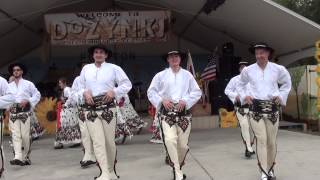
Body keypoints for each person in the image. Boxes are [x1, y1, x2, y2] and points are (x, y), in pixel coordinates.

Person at [237, 43, 291, 180]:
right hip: (255, 109)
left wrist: (281, 96)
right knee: (261, 140)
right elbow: (240, 84)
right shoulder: (248, 70)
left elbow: (287, 83)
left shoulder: (278, 69)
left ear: (268, 53)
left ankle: (270, 168)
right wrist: (244, 96)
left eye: (262, 52)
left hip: (272, 109)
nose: (259, 55)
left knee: (271, 141)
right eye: (257, 53)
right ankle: (263, 171)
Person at [78, 44, 132, 180]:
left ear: (106, 55)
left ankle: (111, 170)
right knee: (97, 142)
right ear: (92, 55)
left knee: (109, 142)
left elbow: (127, 84)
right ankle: (104, 173)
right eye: (96, 52)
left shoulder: (114, 68)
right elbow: (77, 88)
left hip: (108, 109)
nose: (98, 54)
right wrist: (84, 93)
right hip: (90, 110)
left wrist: (114, 91)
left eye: (101, 52)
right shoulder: (86, 69)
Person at [147, 50, 202, 180]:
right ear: (167, 60)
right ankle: (177, 172)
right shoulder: (160, 75)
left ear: (180, 59)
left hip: (184, 115)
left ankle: (175, 163)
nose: (174, 59)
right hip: (166, 115)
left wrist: (186, 101)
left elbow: (196, 92)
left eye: (176, 56)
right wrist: (162, 100)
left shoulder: (187, 75)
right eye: (171, 57)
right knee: (170, 140)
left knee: (182, 146)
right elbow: (151, 92)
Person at [8, 63, 41, 166]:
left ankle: (26, 156)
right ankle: (17, 156)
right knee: (15, 135)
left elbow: (37, 94)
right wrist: (6, 106)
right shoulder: (9, 86)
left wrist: (28, 100)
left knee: (25, 136)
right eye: (14, 70)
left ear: (22, 72)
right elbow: (5, 98)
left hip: (25, 113)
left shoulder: (28, 84)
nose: (16, 72)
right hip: (13, 113)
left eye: (18, 70)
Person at [225, 61, 255, 158]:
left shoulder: (253, 79)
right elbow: (227, 90)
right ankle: (248, 148)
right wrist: (236, 96)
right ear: (239, 69)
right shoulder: (235, 80)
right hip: (240, 107)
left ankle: (249, 145)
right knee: (244, 126)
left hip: (253, 107)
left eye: (245, 67)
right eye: (241, 67)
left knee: (253, 129)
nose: (243, 69)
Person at [66, 76, 96, 168]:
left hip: (96, 108)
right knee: (85, 133)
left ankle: (100, 154)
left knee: (96, 133)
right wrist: (68, 103)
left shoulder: (98, 77)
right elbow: (73, 93)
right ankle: (88, 156)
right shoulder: (78, 79)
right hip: (82, 109)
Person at [54, 77, 81, 149]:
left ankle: (71, 141)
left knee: (63, 124)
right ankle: (73, 140)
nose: (59, 85)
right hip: (69, 110)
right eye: (59, 83)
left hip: (69, 111)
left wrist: (65, 104)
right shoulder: (66, 90)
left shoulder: (67, 89)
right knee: (65, 124)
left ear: (64, 83)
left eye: (60, 83)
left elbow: (71, 97)